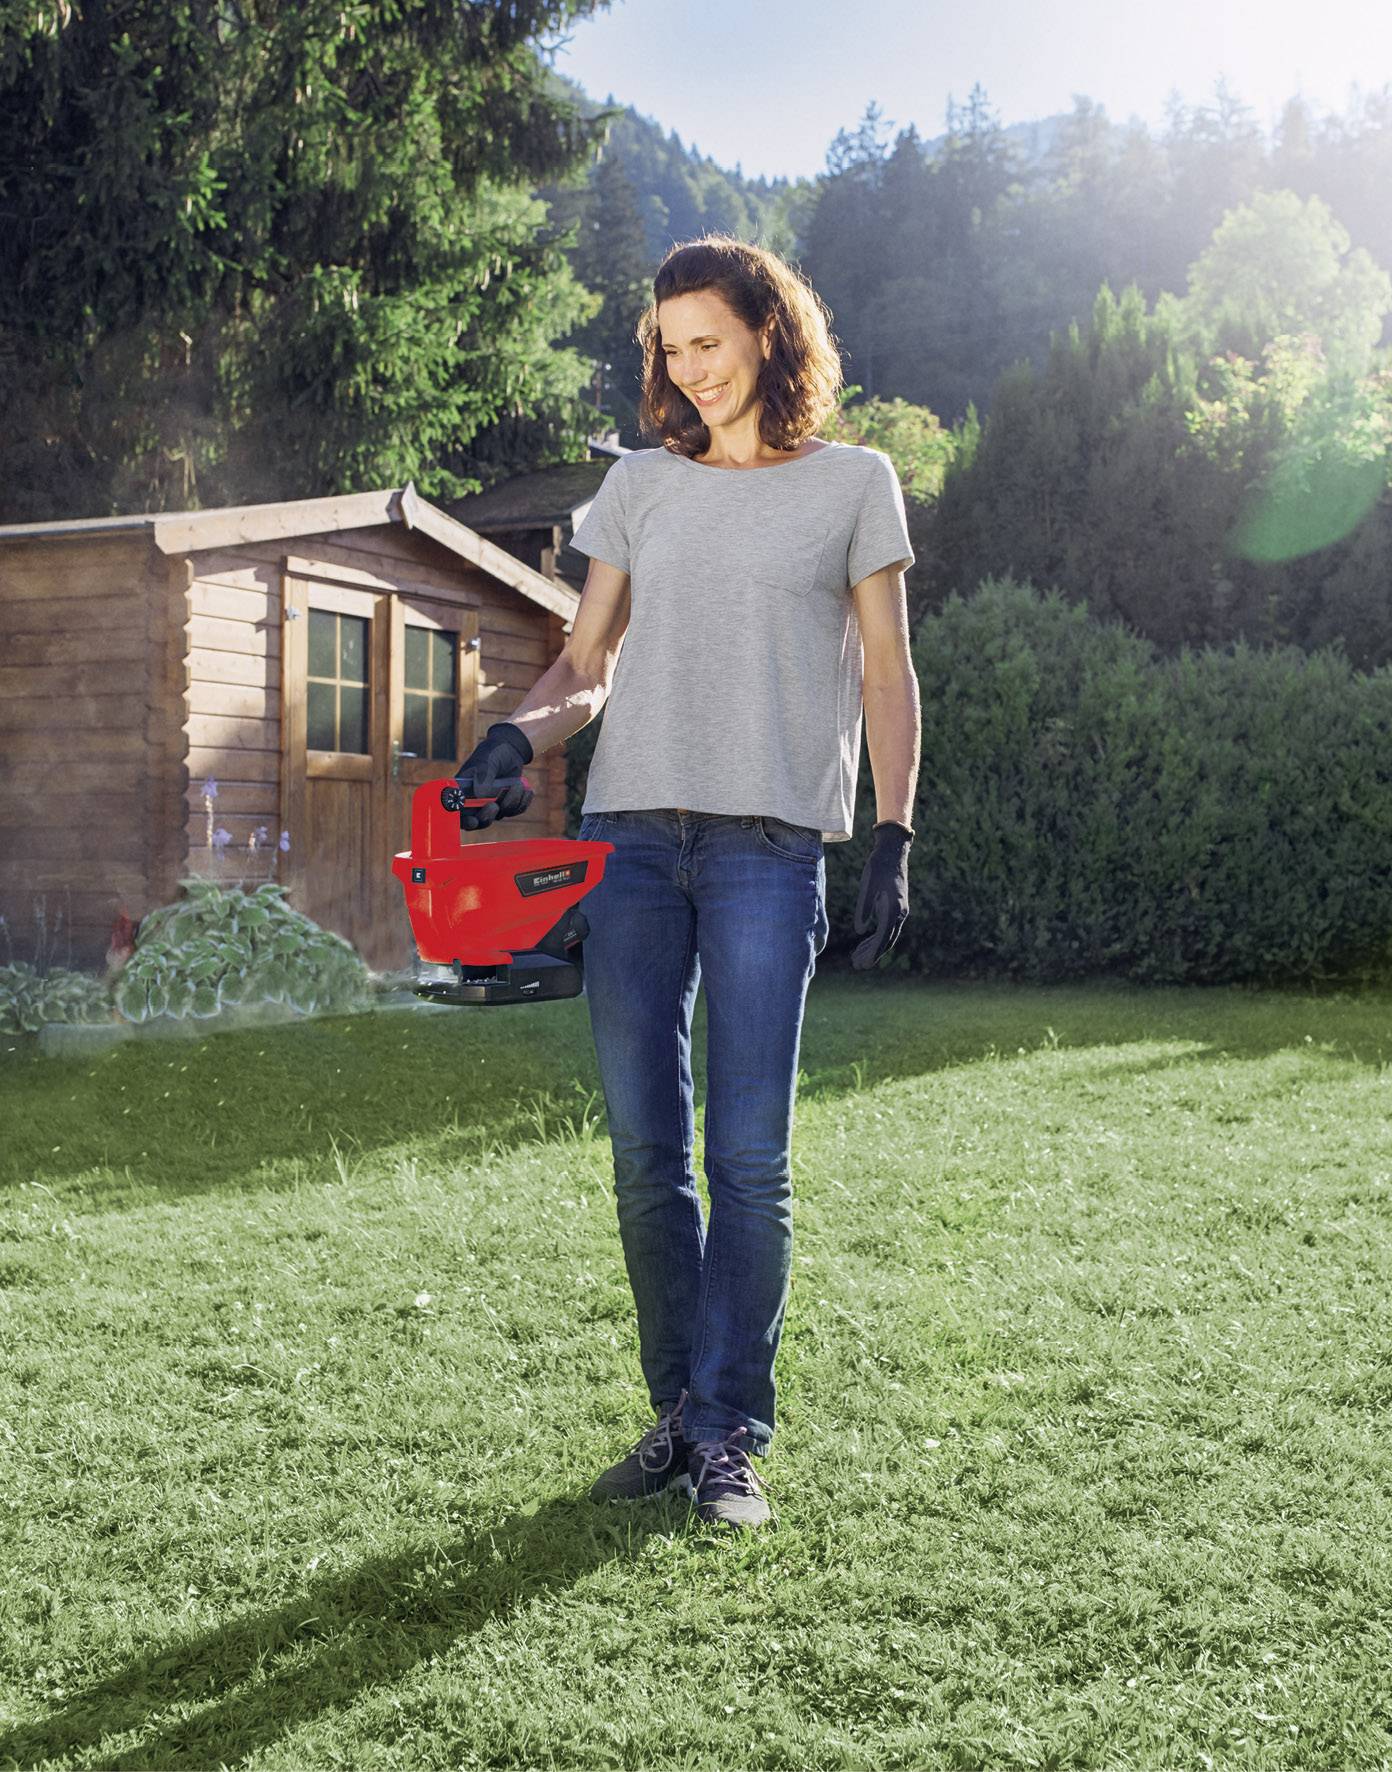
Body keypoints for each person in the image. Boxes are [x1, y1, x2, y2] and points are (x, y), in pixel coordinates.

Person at [454, 234, 919, 1531]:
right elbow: (585, 665)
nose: (688, 368)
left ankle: (728, 1434)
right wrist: (516, 739)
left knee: (748, 1156)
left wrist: (892, 833)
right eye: (668, 348)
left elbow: (884, 670)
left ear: (770, 333)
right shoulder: (641, 493)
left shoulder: (853, 485)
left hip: (771, 844)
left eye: (707, 341)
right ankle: (677, 1414)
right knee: (645, 1153)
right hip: (634, 849)